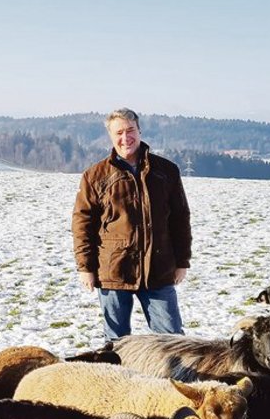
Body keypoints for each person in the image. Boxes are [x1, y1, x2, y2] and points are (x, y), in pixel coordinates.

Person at [72, 108, 192, 340]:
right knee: (116, 342)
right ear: (110, 136)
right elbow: (82, 224)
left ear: (139, 131)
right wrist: (85, 267)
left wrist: (182, 261)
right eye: (119, 132)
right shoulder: (95, 176)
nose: (125, 138)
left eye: (130, 130)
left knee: (171, 340)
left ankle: (170, 378)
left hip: (158, 269)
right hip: (114, 270)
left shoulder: (166, 171)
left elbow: (180, 219)